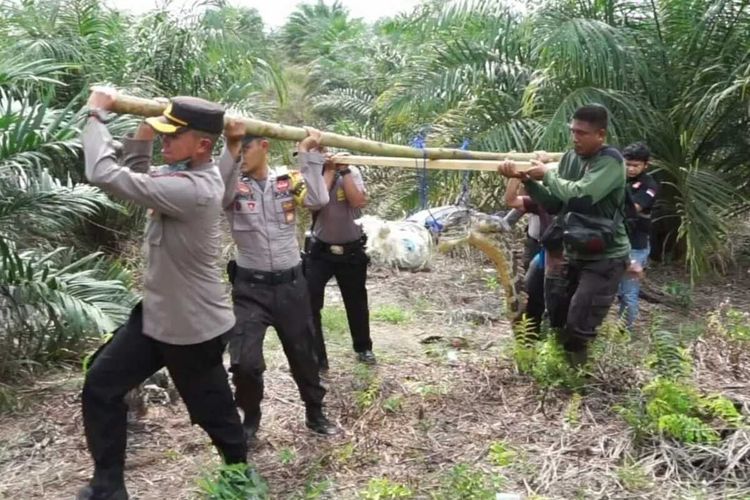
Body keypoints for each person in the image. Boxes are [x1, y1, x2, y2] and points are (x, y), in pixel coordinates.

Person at [79, 89, 247, 500]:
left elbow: (106, 173)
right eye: (164, 136)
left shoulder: (192, 189)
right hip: (156, 316)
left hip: (192, 328)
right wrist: (148, 124)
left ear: (203, 145)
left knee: (213, 412)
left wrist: (96, 115)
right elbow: (140, 169)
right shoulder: (180, 176)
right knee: (101, 385)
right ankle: (108, 488)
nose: (165, 142)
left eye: (173, 136)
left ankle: (241, 478)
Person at [220, 121, 336, 442]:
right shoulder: (233, 187)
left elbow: (317, 200)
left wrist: (308, 155)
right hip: (250, 289)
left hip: (291, 286)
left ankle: (315, 412)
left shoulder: (289, 181)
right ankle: (250, 416)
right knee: (244, 361)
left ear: (264, 147)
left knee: (304, 355)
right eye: (237, 149)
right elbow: (219, 193)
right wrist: (230, 149)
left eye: (246, 148)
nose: (241, 155)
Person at [498, 104, 630, 365]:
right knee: (558, 315)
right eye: (573, 131)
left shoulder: (611, 161)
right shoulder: (571, 159)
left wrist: (546, 174)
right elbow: (556, 203)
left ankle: (576, 384)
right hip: (575, 250)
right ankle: (558, 371)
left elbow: (582, 195)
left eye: (582, 133)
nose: (575, 138)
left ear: (600, 135)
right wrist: (526, 180)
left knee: (579, 322)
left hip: (605, 257)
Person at [304, 154, 373, 370]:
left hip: (351, 251)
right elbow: (316, 203)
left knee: (356, 302)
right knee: (310, 302)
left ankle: (363, 348)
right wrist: (329, 171)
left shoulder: (352, 172)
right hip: (320, 251)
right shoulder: (314, 175)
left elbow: (358, 201)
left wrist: (343, 171)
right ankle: (317, 357)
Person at [502, 178, 553, 335]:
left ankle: (552, 332)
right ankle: (530, 334)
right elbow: (512, 201)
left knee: (557, 298)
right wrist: (514, 177)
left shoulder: (578, 201)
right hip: (545, 253)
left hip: (569, 258)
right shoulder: (544, 201)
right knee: (532, 290)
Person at [618, 142, 659, 331]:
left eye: (636, 165)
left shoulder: (649, 185)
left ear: (645, 165)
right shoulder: (617, 178)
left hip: (635, 245)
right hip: (614, 243)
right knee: (615, 291)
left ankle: (626, 334)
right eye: (628, 164)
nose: (631, 169)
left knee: (628, 293)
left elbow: (634, 209)